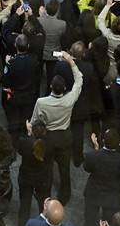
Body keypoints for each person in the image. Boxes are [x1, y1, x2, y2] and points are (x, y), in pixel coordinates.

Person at [31, 51, 82, 204]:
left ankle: (44, 194)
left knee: (46, 166)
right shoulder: (70, 99)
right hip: (64, 135)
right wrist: (72, 63)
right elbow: (79, 80)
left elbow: (35, 121)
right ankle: (65, 194)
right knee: (64, 167)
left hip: (48, 136)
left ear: (51, 86)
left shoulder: (42, 102)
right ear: (65, 87)